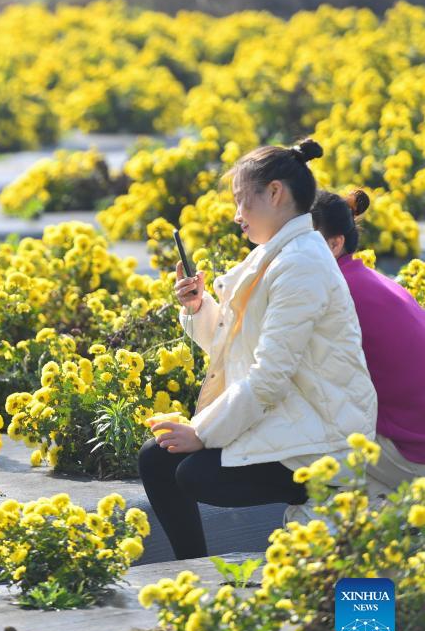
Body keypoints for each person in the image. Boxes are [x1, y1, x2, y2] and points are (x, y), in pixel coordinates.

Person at [137, 138, 377, 560]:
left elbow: (268, 377)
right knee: (158, 458)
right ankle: (192, 571)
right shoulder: (276, 254)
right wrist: (199, 307)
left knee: (194, 472)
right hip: (294, 416)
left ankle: (321, 497)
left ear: (275, 193)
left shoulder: (300, 263)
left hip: (325, 438)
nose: (236, 215)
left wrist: (202, 433)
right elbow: (239, 345)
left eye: (241, 200)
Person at [310, 188, 425, 490]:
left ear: (335, 244)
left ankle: (340, 505)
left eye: (300, 241)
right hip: (416, 442)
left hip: (412, 459)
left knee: (293, 420)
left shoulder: (335, 294)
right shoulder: (369, 279)